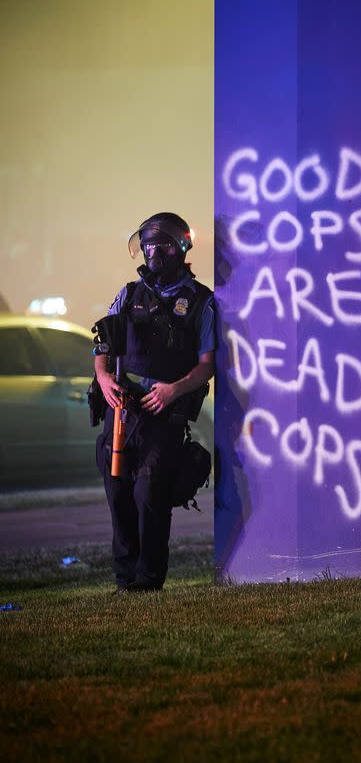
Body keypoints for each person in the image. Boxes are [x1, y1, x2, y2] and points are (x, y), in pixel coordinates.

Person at [94, 212, 215, 592]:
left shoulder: (200, 301)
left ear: (179, 247)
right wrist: (103, 378)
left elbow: (207, 366)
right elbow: (102, 343)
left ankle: (147, 581)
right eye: (147, 245)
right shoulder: (129, 294)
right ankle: (124, 579)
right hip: (123, 413)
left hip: (165, 412)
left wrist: (173, 389)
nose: (152, 252)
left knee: (149, 494)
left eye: (161, 244)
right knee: (118, 491)